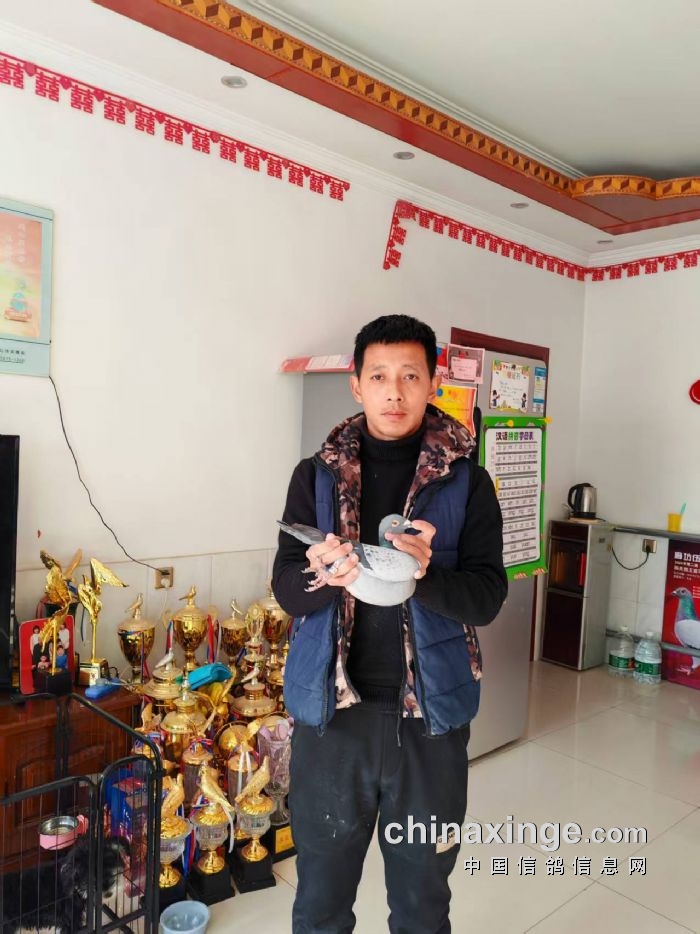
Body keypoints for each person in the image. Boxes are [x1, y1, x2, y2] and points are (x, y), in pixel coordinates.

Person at [273, 314, 507, 934]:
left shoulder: (467, 482)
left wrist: (425, 573)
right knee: (320, 904)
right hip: (332, 719)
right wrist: (321, 574)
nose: (394, 392)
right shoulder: (315, 476)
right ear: (357, 384)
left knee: (422, 905)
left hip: (429, 724)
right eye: (378, 376)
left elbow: (487, 598)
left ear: (433, 383)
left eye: (410, 376)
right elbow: (286, 590)